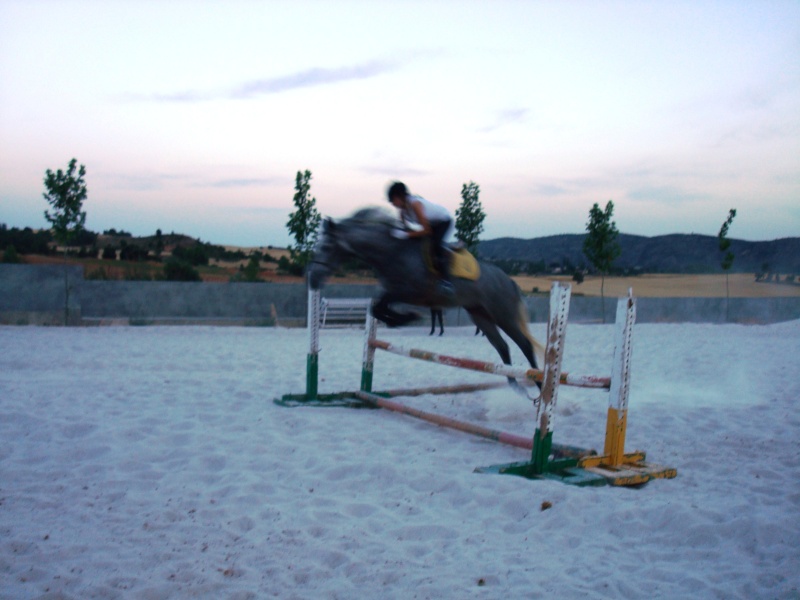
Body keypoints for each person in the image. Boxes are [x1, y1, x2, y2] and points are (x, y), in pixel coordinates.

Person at [387, 181, 454, 295]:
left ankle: (447, 281)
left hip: (443, 221)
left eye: (393, 200)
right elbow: (405, 229)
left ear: (399, 196)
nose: (393, 204)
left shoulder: (415, 204)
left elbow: (426, 230)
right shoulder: (403, 212)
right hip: (432, 224)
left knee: (435, 245)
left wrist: (406, 235)